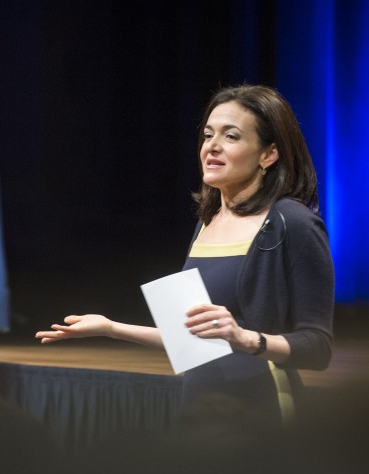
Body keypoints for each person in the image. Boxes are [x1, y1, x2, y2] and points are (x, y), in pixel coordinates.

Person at [36, 84, 334, 428]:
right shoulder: (208, 221)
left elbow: (317, 348)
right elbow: (192, 340)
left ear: (268, 154)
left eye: (232, 136)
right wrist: (111, 328)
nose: (212, 147)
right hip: (200, 409)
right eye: (208, 135)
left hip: (262, 410)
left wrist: (245, 338)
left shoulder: (293, 222)